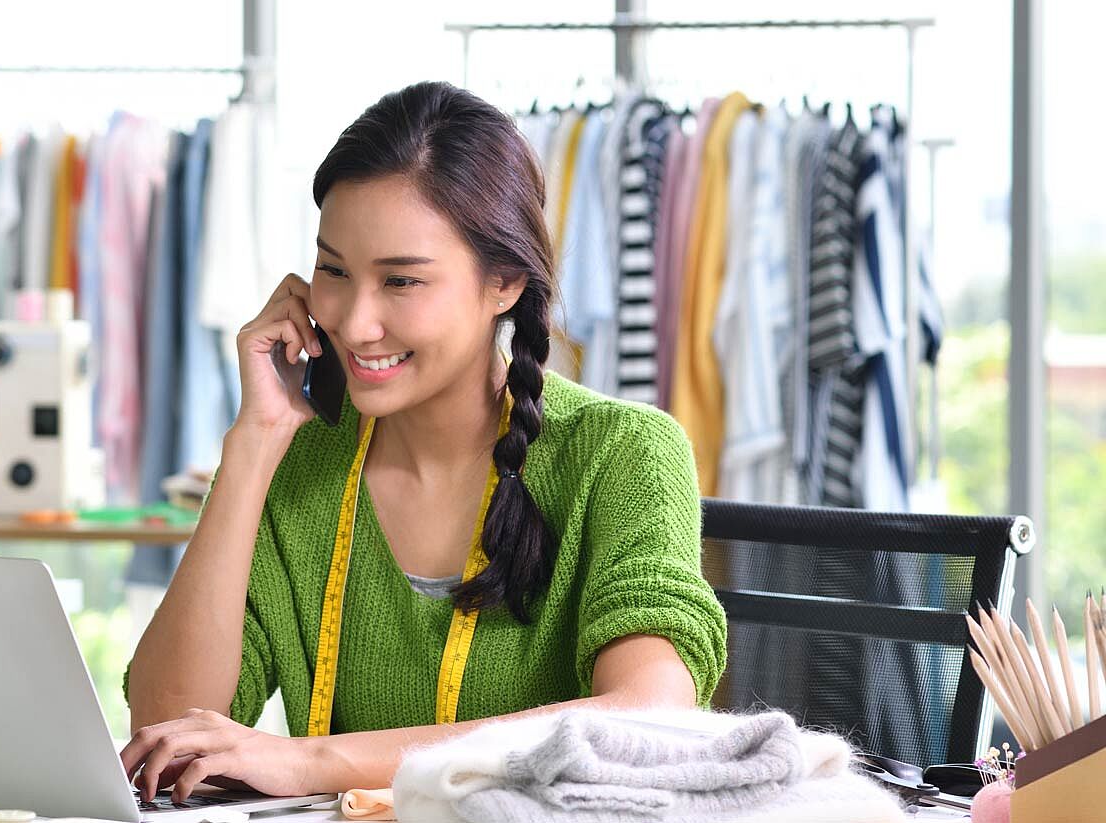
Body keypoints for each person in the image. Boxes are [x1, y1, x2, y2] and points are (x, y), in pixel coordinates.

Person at [121, 81, 727, 803]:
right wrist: (254, 443)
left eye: (401, 280)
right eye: (334, 271)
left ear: (503, 281)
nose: (353, 320)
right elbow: (165, 731)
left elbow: (651, 721)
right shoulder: (297, 460)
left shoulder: (621, 452)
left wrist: (312, 761)